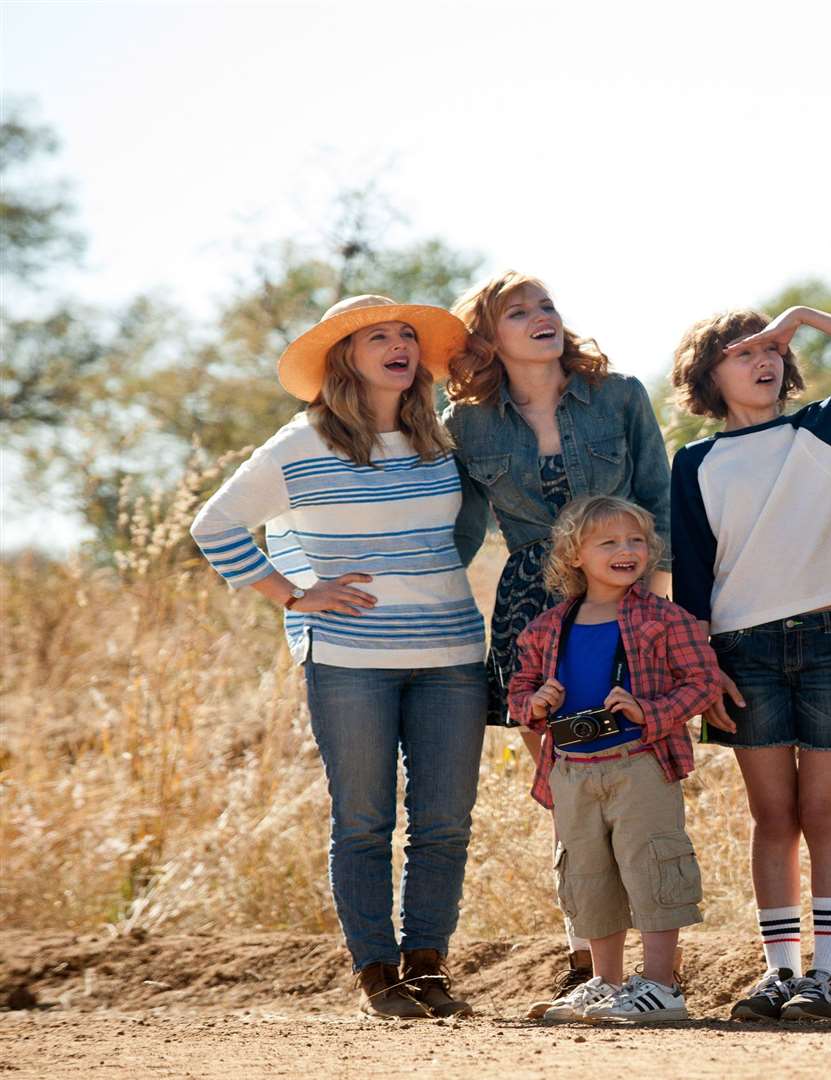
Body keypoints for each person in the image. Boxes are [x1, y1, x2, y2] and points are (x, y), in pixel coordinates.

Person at [189, 295, 486, 1019]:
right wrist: (292, 594)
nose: (399, 346)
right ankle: (377, 973)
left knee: (445, 820)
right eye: (378, 336)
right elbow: (215, 524)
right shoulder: (302, 442)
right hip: (350, 660)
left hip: (452, 651)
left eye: (407, 335)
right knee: (363, 820)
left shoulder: (441, 439)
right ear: (343, 358)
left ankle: (428, 965)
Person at [669, 305, 831, 1021]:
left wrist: (805, 314)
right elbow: (692, 578)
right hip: (744, 654)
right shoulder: (695, 463)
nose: (764, 360)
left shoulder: (829, 430)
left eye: (774, 349)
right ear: (708, 374)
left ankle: (829, 977)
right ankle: (780, 974)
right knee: (772, 816)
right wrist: (703, 668)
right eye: (743, 353)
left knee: (825, 810)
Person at [443, 270, 675, 992]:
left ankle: (659, 969)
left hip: (626, 598)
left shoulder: (621, 395)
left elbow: (660, 502)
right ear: (486, 336)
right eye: (519, 312)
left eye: (546, 305)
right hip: (529, 610)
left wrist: (657, 612)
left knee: (638, 774)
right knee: (567, 780)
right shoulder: (467, 425)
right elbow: (457, 532)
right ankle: (589, 961)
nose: (542, 317)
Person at [508, 496, 720, 1024]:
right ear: (574, 554)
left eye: (636, 541)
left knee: (651, 866)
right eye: (609, 542)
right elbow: (518, 691)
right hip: (571, 770)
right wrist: (534, 705)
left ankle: (661, 986)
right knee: (587, 875)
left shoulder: (666, 619)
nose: (626, 551)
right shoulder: (546, 628)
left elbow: (703, 683)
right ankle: (604, 982)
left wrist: (649, 710)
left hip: (640, 762)